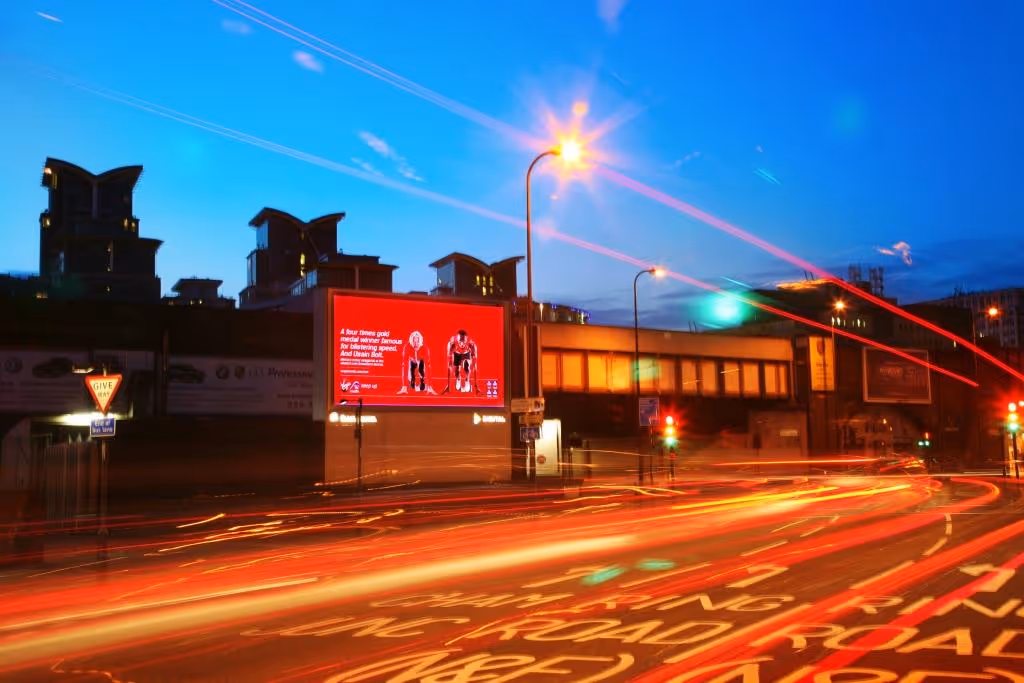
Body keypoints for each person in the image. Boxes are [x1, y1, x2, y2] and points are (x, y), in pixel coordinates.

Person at [446, 329, 479, 393]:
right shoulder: (452, 344)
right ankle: (458, 379)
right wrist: (448, 385)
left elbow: (475, 366)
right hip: (456, 353)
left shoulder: (471, 344)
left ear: (466, 340)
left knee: (467, 365)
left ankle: (467, 380)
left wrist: (476, 385)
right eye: (460, 341)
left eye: (463, 341)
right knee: (456, 371)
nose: (462, 344)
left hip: (466, 353)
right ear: (457, 340)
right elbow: (449, 365)